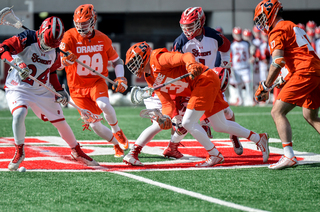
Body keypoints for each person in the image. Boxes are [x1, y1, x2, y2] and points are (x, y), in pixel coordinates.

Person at [124, 41, 269, 167]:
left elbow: (185, 56)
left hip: (203, 80)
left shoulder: (158, 58)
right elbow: (167, 104)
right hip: (200, 86)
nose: (133, 65)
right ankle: (259, 138)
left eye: (134, 60)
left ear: (143, 56)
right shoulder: (149, 77)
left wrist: (191, 64)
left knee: (188, 122)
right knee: (220, 125)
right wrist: (165, 118)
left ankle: (214, 154)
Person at [0, 16, 99, 171]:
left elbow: (52, 71)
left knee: (60, 121)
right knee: (19, 114)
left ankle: (76, 151)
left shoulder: (56, 50)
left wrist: (60, 90)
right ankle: (19, 151)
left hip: (41, 88)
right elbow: (2, 48)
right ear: (41, 33)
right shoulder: (26, 38)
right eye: (46, 43)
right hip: (18, 86)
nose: (48, 48)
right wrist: (18, 62)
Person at [254, 0, 320, 169]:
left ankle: (289, 155)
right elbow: (299, 54)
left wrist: (265, 85)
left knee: (277, 111)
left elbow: (277, 61)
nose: (262, 22)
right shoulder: (292, 26)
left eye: (262, 17)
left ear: (271, 13)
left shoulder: (277, 29)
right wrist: (285, 78)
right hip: (315, 70)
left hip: (305, 71)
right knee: (310, 116)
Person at [59, 4, 129, 157]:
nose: (81, 27)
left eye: (84, 23)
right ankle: (115, 144)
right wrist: (67, 60)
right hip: (76, 87)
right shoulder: (69, 37)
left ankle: (117, 130)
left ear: (93, 21)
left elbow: (117, 61)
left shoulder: (102, 39)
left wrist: (120, 77)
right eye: (78, 23)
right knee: (94, 123)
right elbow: (59, 65)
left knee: (104, 104)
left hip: (96, 81)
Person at [172, 7, 243, 155]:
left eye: (190, 25)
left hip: (211, 80)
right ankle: (173, 146)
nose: (187, 29)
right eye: (184, 26)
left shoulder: (214, 35)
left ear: (200, 22)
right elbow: (176, 64)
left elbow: (226, 48)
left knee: (227, 113)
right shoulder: (180, 42)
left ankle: (234, 135)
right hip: (192, 83)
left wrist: (225, 66)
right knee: (185, 118)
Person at [230, 26, 254, 106]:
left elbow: (251, 53)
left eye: (239, 34)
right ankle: (240, 99)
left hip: (245, 67)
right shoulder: (232, 45)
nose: (238, 36)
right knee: (238, 85)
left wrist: (251, 57)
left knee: (248, 84)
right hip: (236, 68)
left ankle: (249, 99)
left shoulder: (246, 43)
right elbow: (230, 56)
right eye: (237, 34)